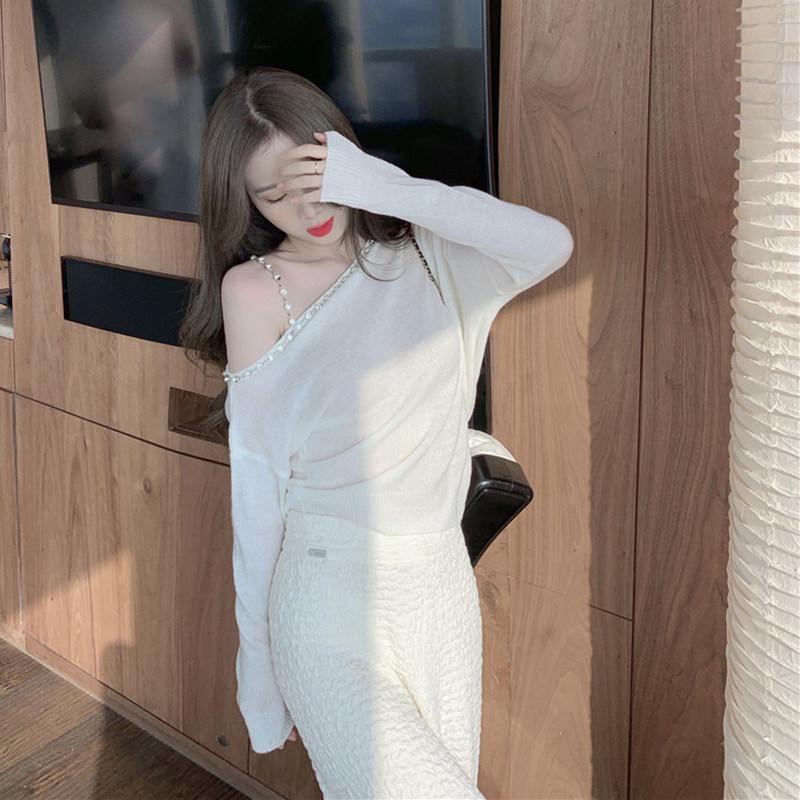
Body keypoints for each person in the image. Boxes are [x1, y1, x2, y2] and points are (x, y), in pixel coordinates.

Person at [182, 67, 573, 799]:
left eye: (316, 177)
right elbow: (258, 493)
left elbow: (548, 243)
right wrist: (257, 675)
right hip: (326, 594)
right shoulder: (256, 289)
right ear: (248, 203)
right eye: (274, 195)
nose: (307, 207)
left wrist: (381, 187)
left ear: (344, 159)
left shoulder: (430, 255)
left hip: (439, 593)